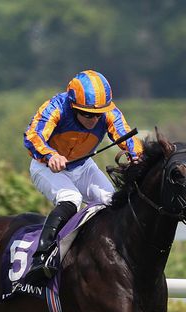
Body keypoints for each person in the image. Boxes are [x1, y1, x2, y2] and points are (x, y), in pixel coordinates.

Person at [22, 69, 143, 278]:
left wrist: (136, 155)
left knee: (112, 202)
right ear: (72, 105)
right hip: (46, 167)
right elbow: (33, 136)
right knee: (71, 198)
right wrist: (50, 155)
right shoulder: (56, 107)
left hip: (83, 166)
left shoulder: (109, 112)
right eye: (87, 114)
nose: (93, 119)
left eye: (98, 114)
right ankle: (41, 257)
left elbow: (127, 136)